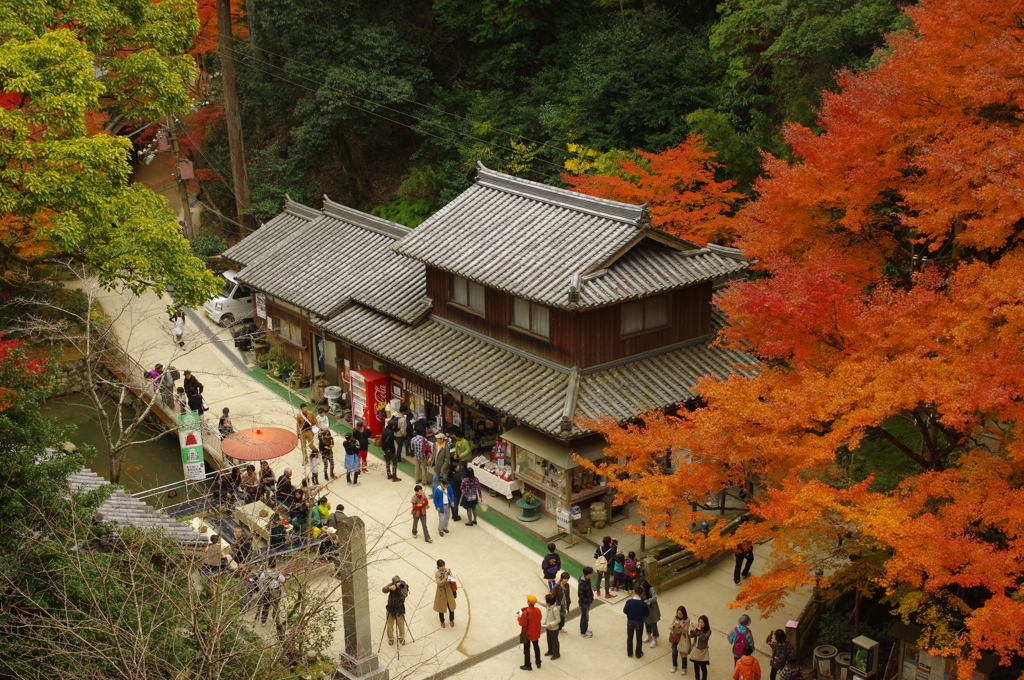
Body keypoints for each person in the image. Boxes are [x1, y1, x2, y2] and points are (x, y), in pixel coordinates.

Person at [255, 559, 286, 624]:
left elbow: (260, 582)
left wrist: (262, 589)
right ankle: (275, 620)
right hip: (276, 591)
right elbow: (283, 580)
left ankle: (263, 621)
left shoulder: (264, 573)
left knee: (266, 606)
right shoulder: (277, 573)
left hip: (267, 591)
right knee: (275, 606)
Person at [623, 586, 651, 659]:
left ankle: (629, 653)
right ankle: (638, 654)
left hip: (630, 621)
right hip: (639, 622)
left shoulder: (629, 602)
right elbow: (647, 614)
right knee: (639, 638)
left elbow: (625, 611)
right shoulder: (643, 604)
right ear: (642, 593)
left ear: (634, 592)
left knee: (630, 637)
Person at [518, 594, 543, 671]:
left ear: (529, 602)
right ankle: (538, 662)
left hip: (527, 633)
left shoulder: (526, 612)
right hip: (535, 632)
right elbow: (540, 618)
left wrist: (519, 617)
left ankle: (527, 665)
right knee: (536, 647)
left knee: (526, 649)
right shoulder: (538, 610)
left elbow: (522, 623)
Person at [382, 576, 410, 645]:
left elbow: (405, 595)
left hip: (399, 608)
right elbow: (383, 590)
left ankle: (401, 638)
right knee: (389, 624)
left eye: (398, 581)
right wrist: (389, 588)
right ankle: (391, 638)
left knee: (401, 625)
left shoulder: (403, 585)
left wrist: (399, 589)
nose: (398, 583)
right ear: (393, 582)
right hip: (390, 607)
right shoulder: (391, 585)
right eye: (396, 582)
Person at [433, 559, 456, 628]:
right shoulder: (437, 574)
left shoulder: (447, 571)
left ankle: (451, 619)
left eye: (443, 566)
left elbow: (452, 581)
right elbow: (439, 583)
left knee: (451, 607)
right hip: (441, 592)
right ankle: (442, 621)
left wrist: (450, 575)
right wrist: (445, 579)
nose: (443, 567)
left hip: (448, 591)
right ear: (438, 567)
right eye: (441, 566)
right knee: (441, 608)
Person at [670, 605, 692, 674]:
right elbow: (670, 627)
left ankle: (684, 667)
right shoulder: (675, 618)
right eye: (678, 613)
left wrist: (680, 627)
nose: (679, 615)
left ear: (684, 613)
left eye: (681, 614)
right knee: (674, 652)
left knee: (683, 653)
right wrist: (674, 626)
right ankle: (674, 665)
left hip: (683, 638)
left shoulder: (687, 620)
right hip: (675, 637)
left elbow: (685, 630)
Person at [690, 615, 712, 680]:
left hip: (702, 651)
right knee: (696, 668)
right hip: (695, 649)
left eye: (702, 622)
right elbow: (691, 636)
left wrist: (700, 631)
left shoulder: (708, 631)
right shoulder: (697, 629)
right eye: (699, 622)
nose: (700, 624)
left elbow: (705, 638)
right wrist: (692, 630)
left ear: (705, 623)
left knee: (703, 668)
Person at [642, 578, 661, 648]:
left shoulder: (651, 589)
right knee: (646, 622)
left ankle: (655, 639)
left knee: (653, 623)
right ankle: (649, 636)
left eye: (643, 588)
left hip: (652, 609)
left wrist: (647, 601)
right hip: (645, 609)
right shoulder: (641, 591)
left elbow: (655, 597)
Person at [577, 566, 595, 638]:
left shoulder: (587, 579)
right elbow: (580, 594)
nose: (592, 574)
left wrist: (591, 597)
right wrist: (587, 600)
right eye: (591, 573)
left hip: (588, 601)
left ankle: (583, 629)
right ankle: (583, 632)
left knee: (584, 616)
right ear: (588, 574)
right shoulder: (582, 583)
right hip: (584, 603)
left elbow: (589, 589)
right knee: (585, 617)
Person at [543, 592, 561, 660]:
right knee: (549, 640)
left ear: (549, 602)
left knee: (554, 641)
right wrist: (536, 600)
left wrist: (550, 624)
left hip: (553, 628)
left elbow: (558, 620)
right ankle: (550, 651)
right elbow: (542, 603)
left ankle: (556, 654)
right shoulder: (548, 606)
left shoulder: (555, 609)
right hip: (548, 627)